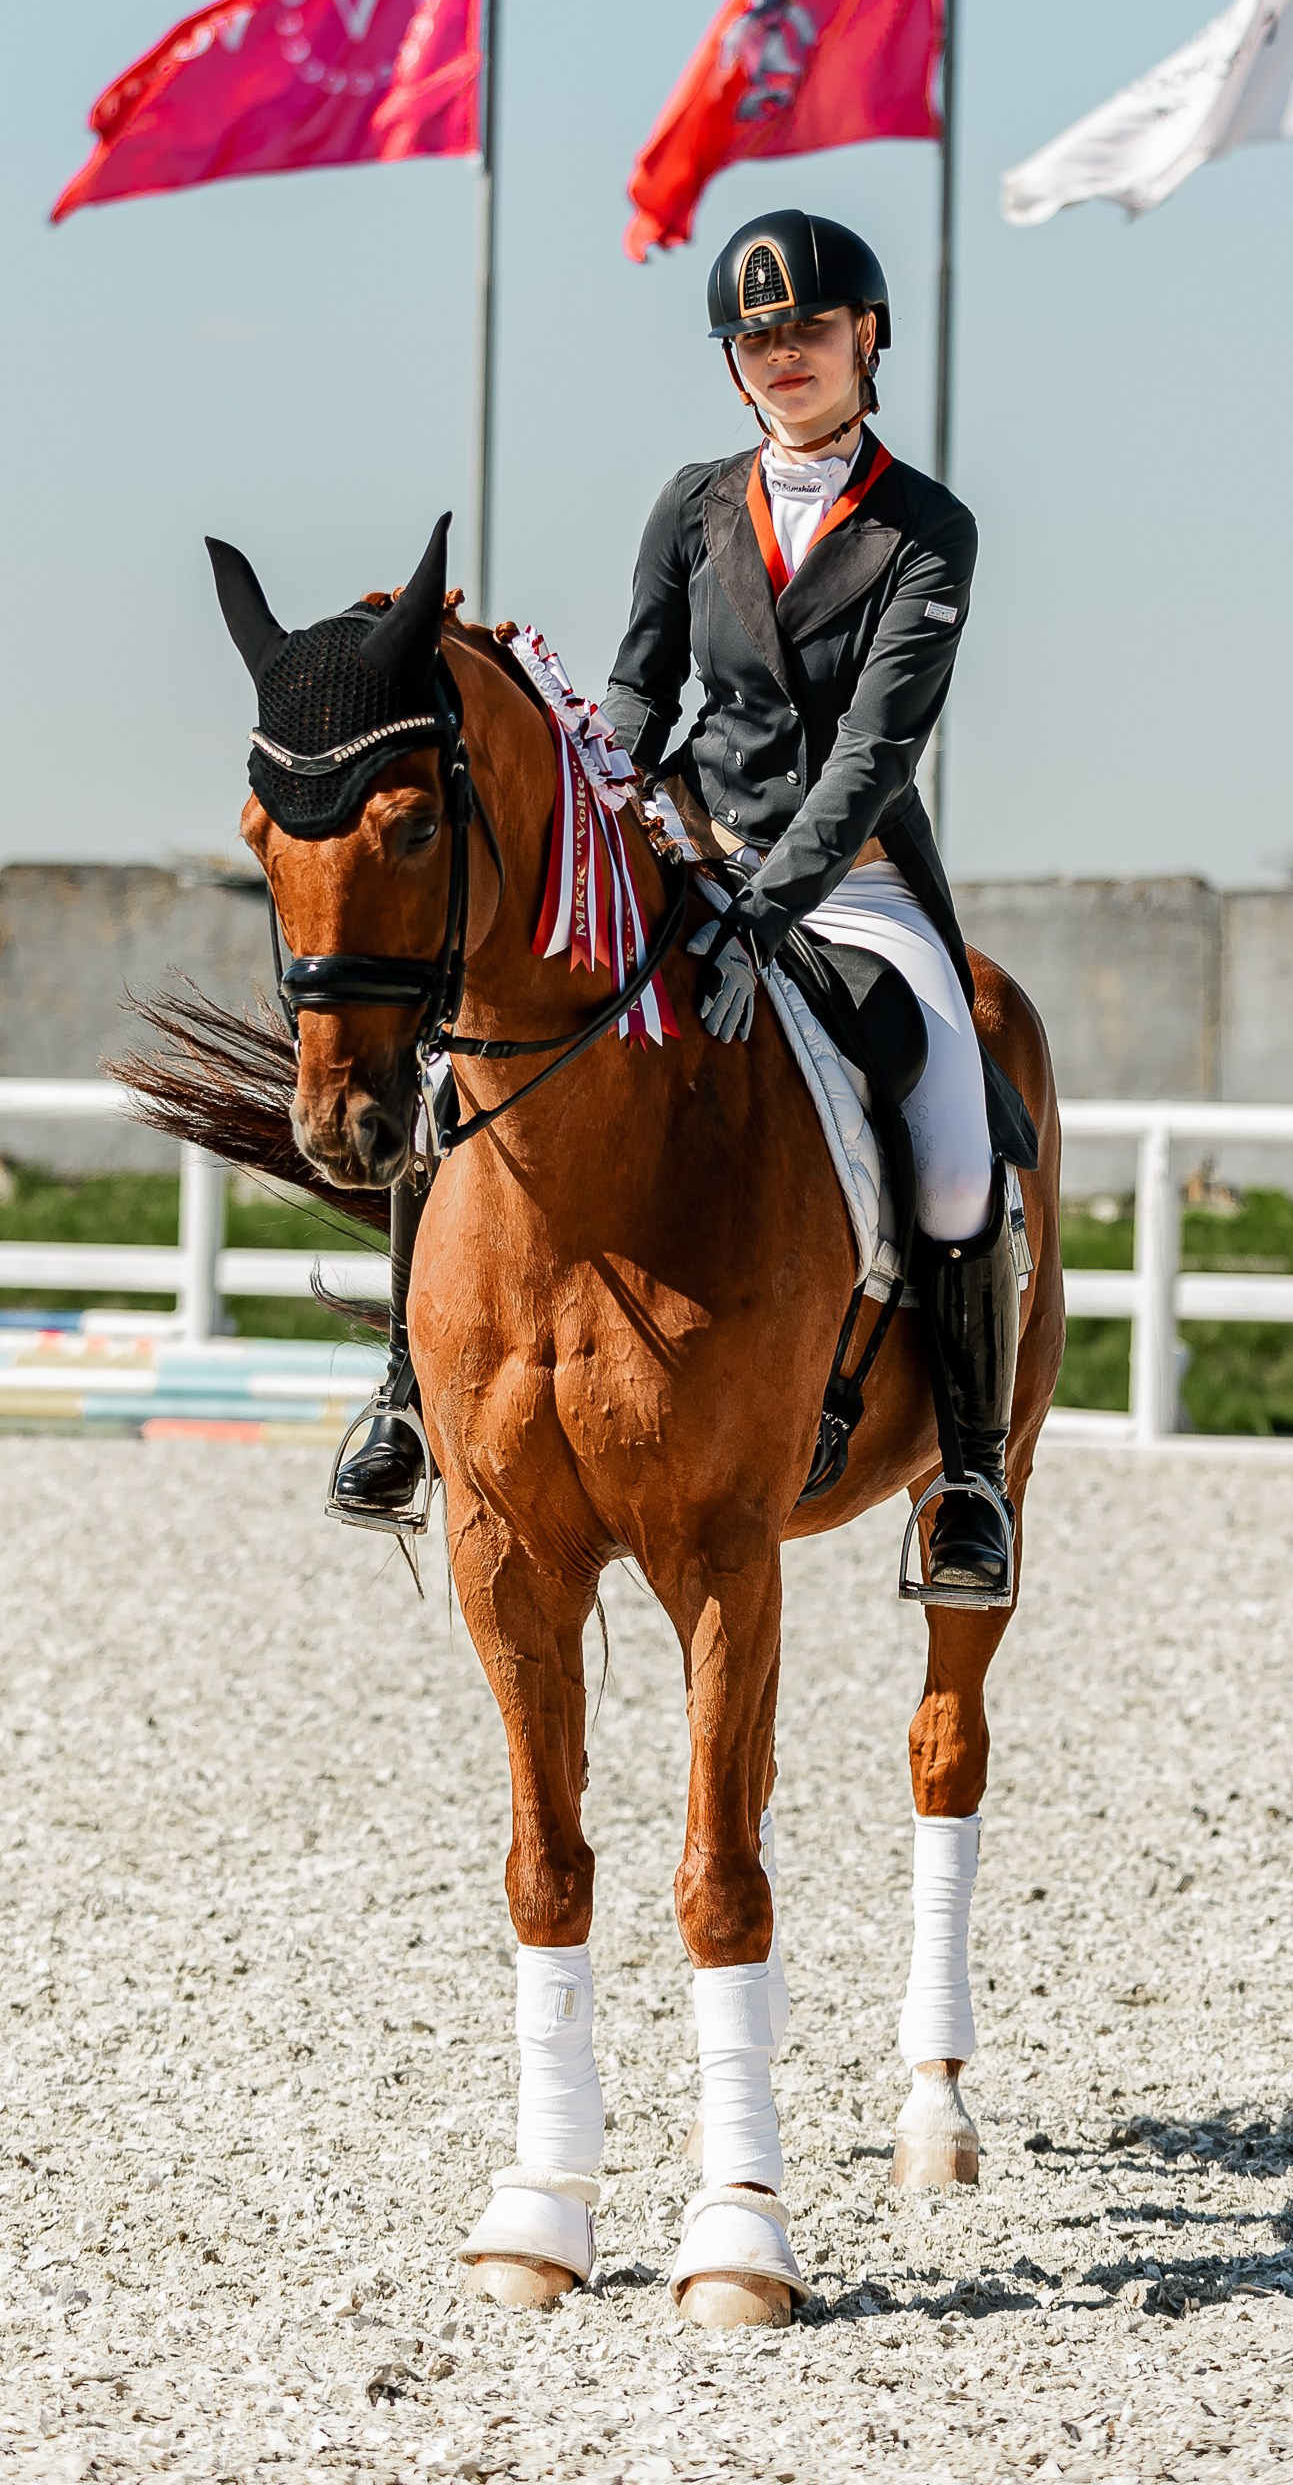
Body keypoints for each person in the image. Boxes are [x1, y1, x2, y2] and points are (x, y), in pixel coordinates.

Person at [335, 207, 1016, 1607]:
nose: (784, 357)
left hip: (850, 881)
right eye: (758, 338)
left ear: (867, 338)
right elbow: (642, 687)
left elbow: (876, 754)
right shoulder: (695, 503)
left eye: (810, 331)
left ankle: (966, 1474)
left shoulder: (924, 531)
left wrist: (763, 916)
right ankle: (409, 1397)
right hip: (683, 846)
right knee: (478, 1060)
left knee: (956, 1138)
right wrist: (605, 793)